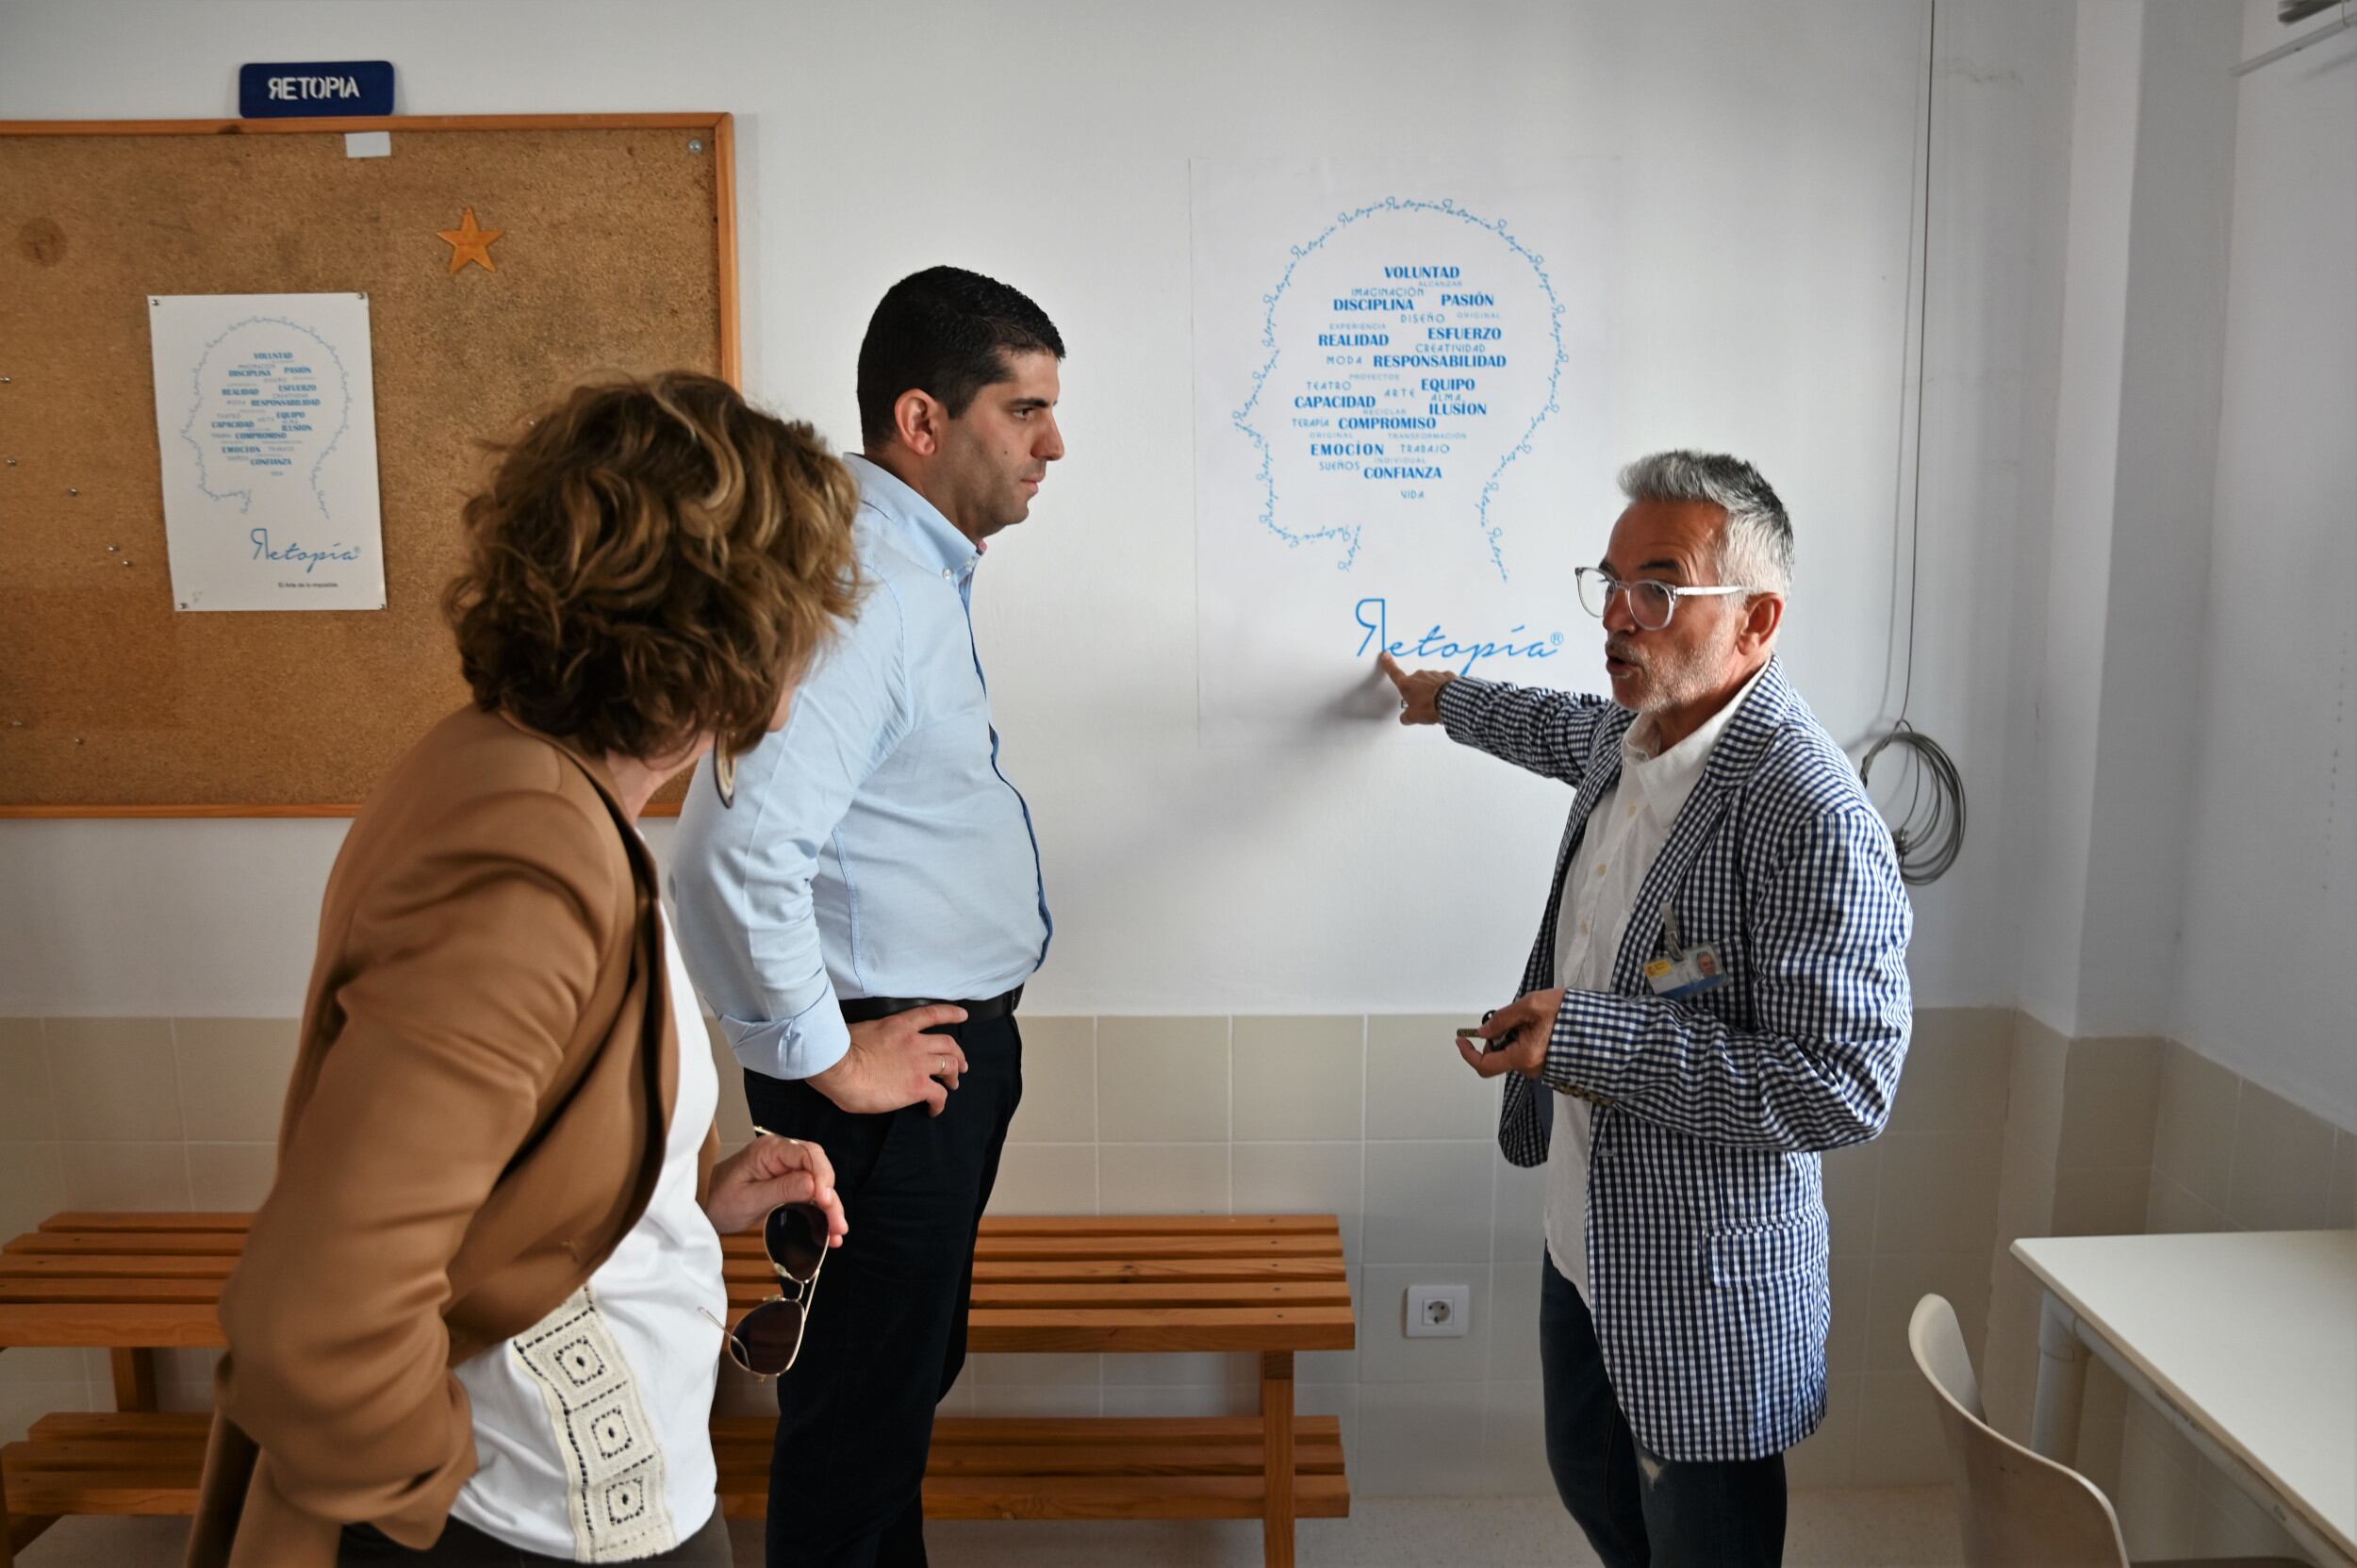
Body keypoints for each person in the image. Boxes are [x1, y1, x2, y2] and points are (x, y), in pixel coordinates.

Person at [186, 372, 863, 1568]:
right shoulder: (530, 856)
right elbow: (317, 1316)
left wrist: (676, 1208)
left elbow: (503, 1173)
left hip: (574, 1494)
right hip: (546, 1513)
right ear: (733, 637)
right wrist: (421, 1494)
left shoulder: (515, 778)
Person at [1381, 451, 1913, 1568]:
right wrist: (1442, 701)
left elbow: (1843, 1087)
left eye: (1658, 589)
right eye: (1610, 582)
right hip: (1583, 1240)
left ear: (1756, 620)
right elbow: (1550, 724)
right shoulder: (1630, 744)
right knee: (1591, 1489)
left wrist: (1583, 1036)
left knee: (1701, 1543)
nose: (1618, 616)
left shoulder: (1807, 815)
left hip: (1704, 1286)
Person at [668, 265, 1066, 1568]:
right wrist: (825, 1056)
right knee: (856, 1428)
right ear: (921, 419)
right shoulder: (872, 587)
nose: (1051, 443)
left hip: (917, 1064)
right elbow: (736, 846)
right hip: (881, 1081)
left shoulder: (899, 563)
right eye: (1024, 411)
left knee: (887, 1401)